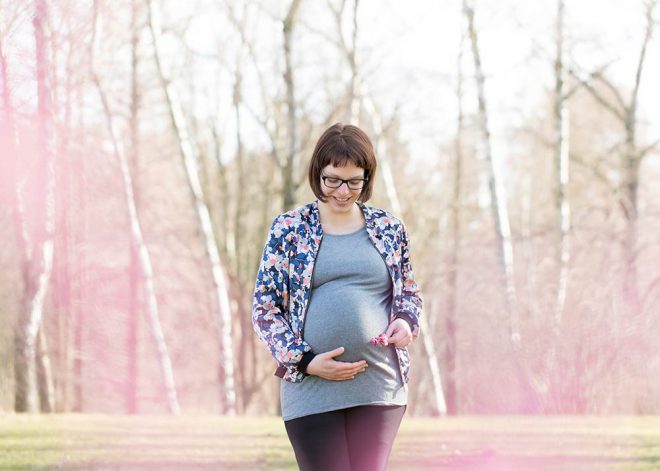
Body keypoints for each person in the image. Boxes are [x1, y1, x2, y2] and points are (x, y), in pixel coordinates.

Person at [252, 123, 423, 471]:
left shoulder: (390, 229)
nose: (343, 191)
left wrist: (406, 322)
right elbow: (264, 309)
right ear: (318, 174)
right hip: (312, 388)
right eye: (333, 180)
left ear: (367, 177)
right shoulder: (289, 229)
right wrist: (305, 361)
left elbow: (409, 293)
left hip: (379, 385)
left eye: (354, 181)